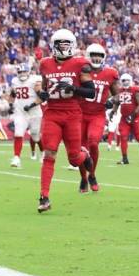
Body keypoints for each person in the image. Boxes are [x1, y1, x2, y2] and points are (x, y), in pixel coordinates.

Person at [37, 28, 94, 213]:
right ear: (53, 45)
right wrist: (43, 94)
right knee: (49, 154)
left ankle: (84, 155)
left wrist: (73, 88)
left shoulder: (81, 64)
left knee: (75, 159)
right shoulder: (45, 64)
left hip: (72, 113)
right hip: (52, 113)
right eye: (59, 44)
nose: (62, 47)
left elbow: (90, 92)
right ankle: (44, 197)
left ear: (72, 45)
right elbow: (45, 88)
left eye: (66, 44)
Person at [78, 43, 119, 193]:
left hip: (97, 114)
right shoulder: (80, 71)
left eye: (99, 55)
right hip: (80, 114)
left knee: (93, 143)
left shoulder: (109, 73)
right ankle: (83, 178)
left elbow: (118, 94)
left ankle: (92, 175)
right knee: (80, 149)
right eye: (93, 54)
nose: (96, 58)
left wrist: (111, 101)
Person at [9, 63, 43, 168]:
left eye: (24, 71)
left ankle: (43, 152)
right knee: (18, 133)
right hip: (20, 113)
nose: (22, 74)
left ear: (28, 72)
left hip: (34, 113)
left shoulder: (35, 80)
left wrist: (32, 105)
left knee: (35, 136)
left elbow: (42, 96)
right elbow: (12, 94)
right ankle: (16, 158)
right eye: (20, 72)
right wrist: (10, 105)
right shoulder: (14, 81)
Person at [113, 73, 139, 165]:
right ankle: (124, 158)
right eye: (123, 80)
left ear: (131, 80)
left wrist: (133, 115)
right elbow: (117, 102)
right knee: (123, 136)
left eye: (127, 80)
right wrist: (113, 111)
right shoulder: (120, 90)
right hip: (124, 118)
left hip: (135, 117)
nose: (125, 82)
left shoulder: (135, 89)